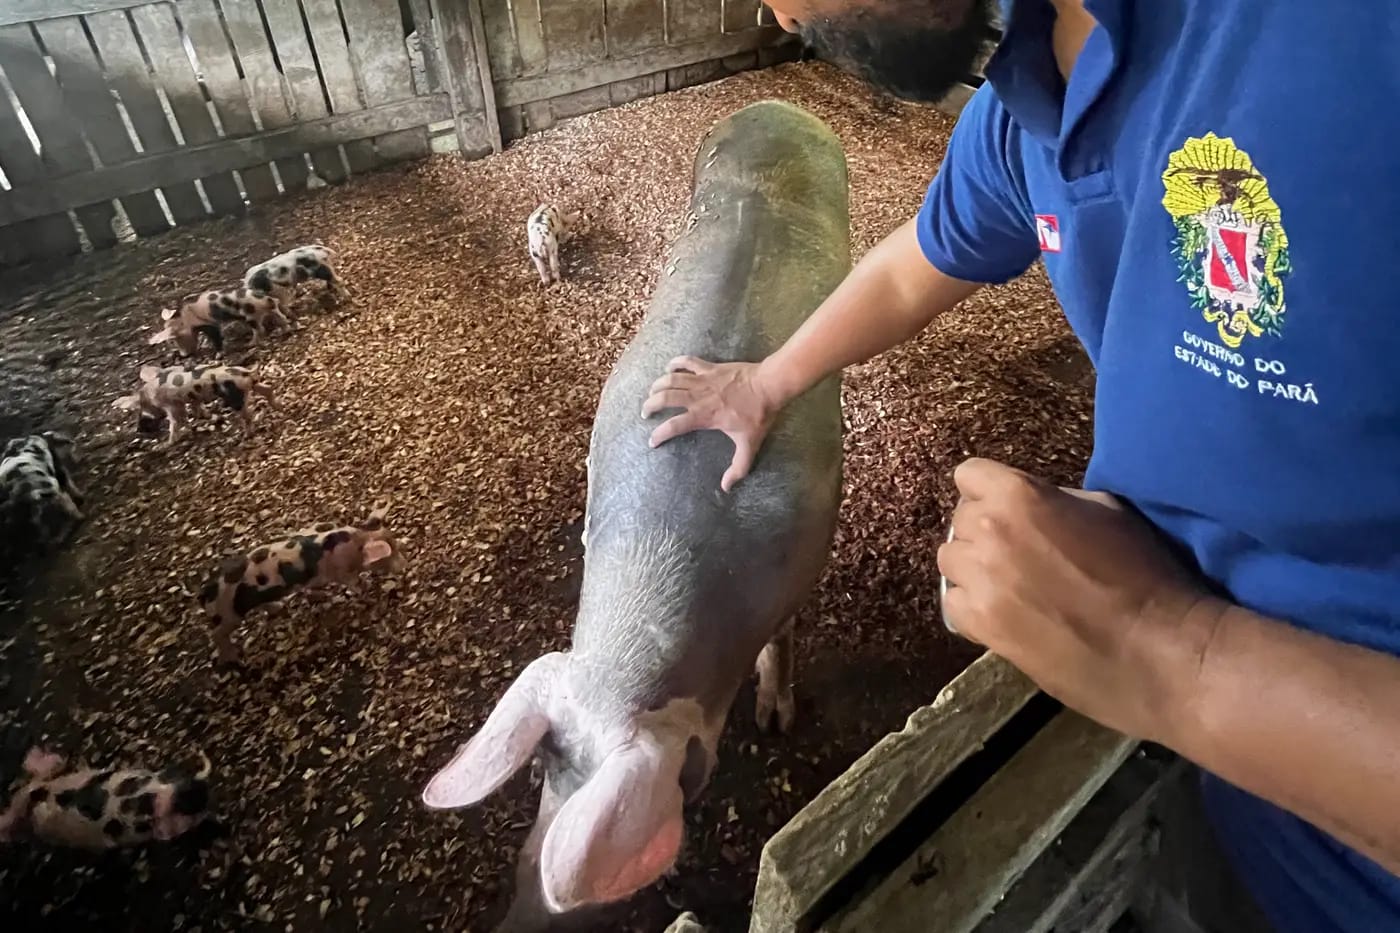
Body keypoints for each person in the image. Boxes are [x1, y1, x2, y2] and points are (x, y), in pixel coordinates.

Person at [639, 2, 1400, 932]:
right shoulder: (1029, 97)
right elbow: (915, 264)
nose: (772, 10)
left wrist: (1169, 650)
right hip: (1232, 816)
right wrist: (768, 380)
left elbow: (1167, 655)